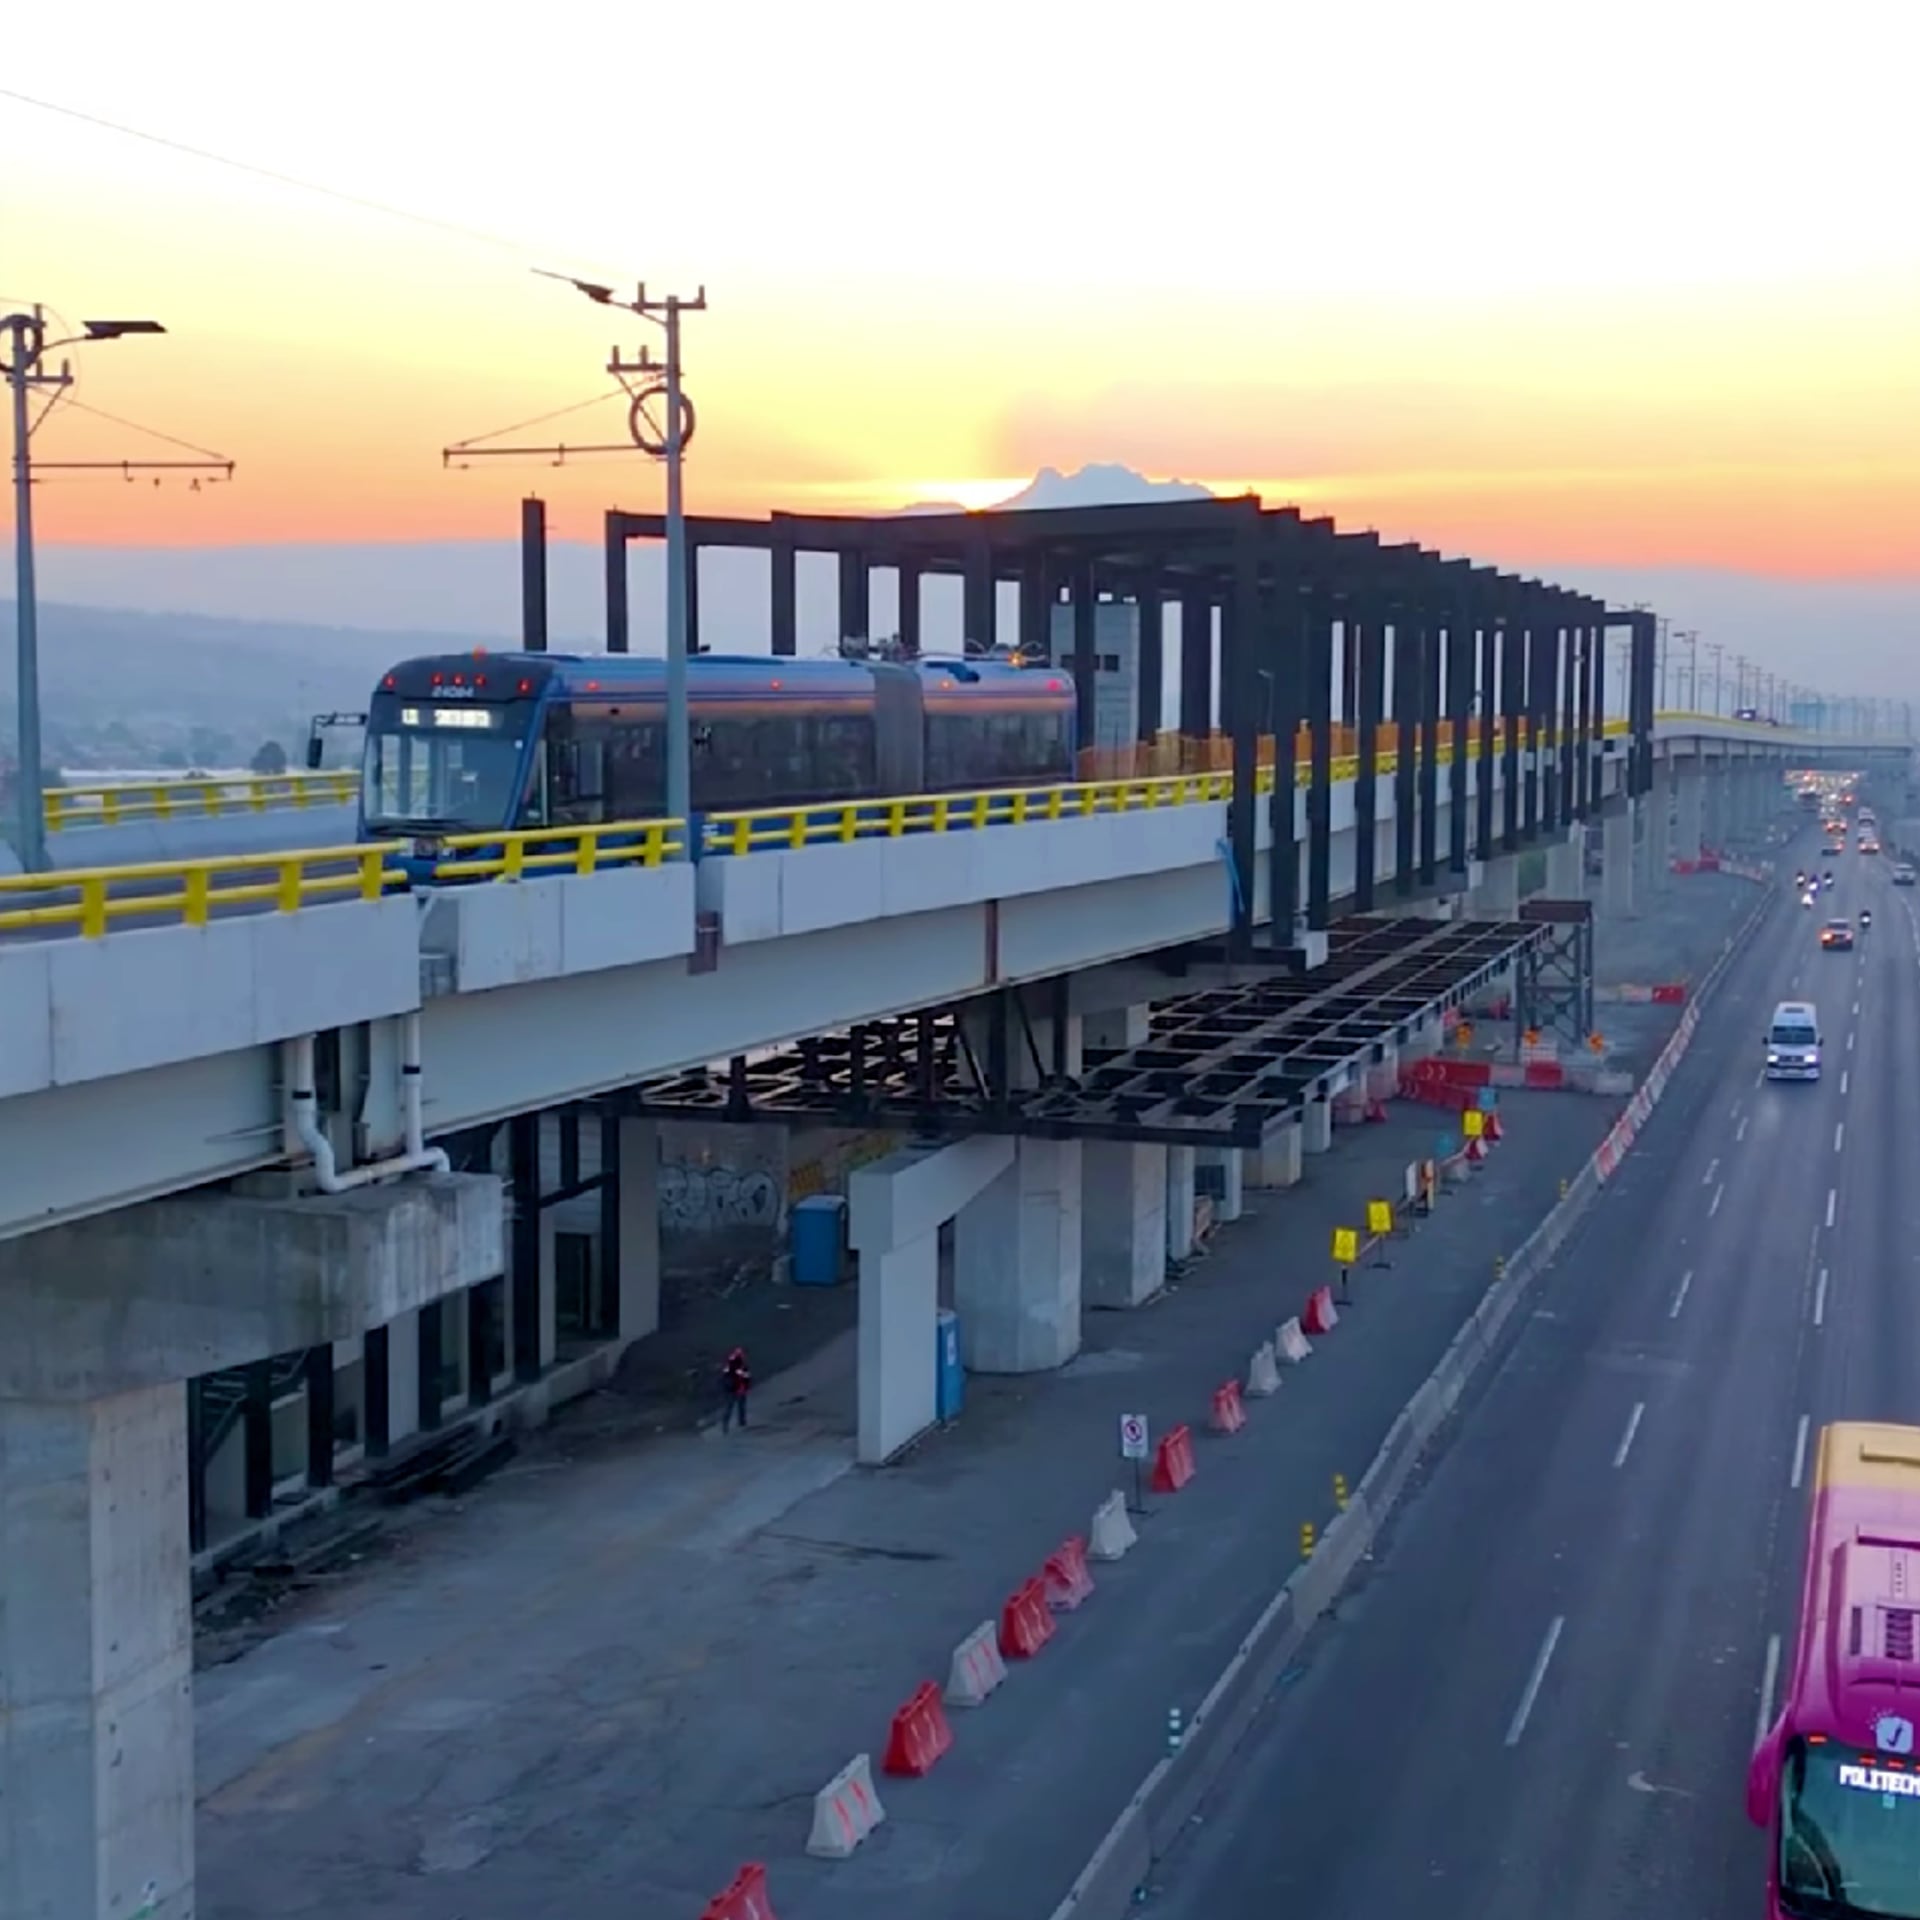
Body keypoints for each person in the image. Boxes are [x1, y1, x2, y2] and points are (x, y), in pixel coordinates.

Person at [719, 1346, 752, 1431]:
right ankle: (729, 1424)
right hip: (734, 1389)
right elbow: (744, 1376)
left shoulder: (738, 1364)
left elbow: (745, 1376)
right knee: (732, 1407)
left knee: (736, 1407)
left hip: (737, 1389)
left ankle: (739, 1423)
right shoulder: (733, 1365)